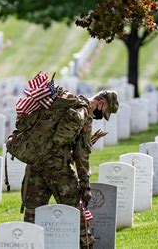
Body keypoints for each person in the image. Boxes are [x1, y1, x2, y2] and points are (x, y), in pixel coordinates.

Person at [19, 88, 119, 248]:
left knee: (32, 212)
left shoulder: (66, 102)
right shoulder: (83, 113)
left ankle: (27, 244)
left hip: (35, 162)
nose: (101, 117)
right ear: (101, 103)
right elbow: (82, 155)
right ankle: (85, 245)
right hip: (58, 167)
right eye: (105, 112)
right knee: (75, 211)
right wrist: (85, 187)